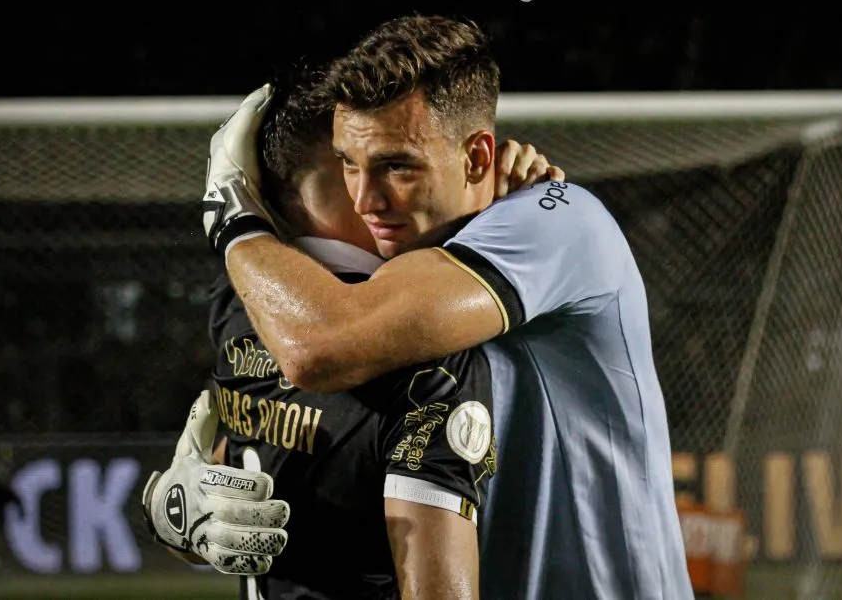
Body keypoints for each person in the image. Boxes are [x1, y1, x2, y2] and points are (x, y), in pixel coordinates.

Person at [203, 15, 694, 599]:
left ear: (479, 158)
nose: (365, 200)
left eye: (397, 166)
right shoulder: (399, 278)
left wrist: (233, 218)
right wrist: (193, 510)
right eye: (349, 165)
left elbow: (318, 347)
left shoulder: (559, 221)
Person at [150, 61, 562, 600]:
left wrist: (168, 510)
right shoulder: (425, 357)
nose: (376, 197)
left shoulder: (237, 299)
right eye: (351, 166)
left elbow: (263, 469)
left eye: (394, 166)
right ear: (302, 194)